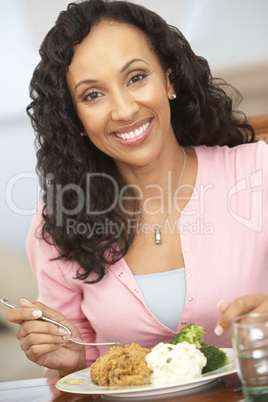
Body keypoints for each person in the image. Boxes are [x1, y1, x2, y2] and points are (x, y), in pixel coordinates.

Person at [6, 0, 268, 379]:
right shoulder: (59, 220)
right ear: (75, 117)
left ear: (170, 78)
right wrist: (70, 361)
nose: (125, 110)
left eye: (136, 77)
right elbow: (77, 362)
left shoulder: (258, 170)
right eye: (92, 95)